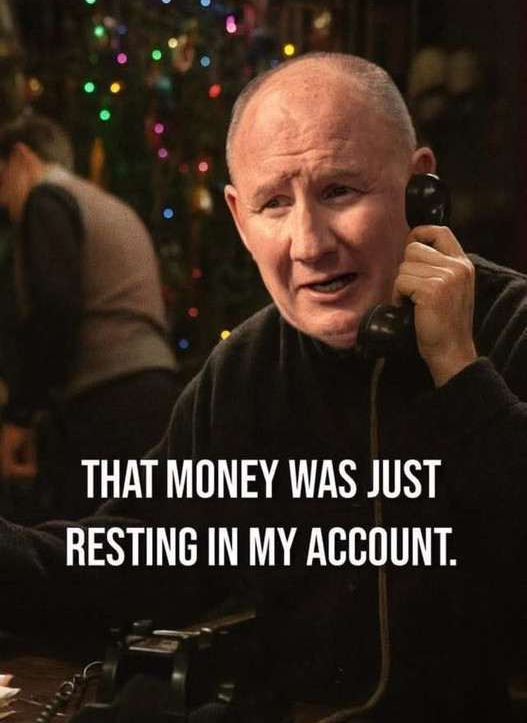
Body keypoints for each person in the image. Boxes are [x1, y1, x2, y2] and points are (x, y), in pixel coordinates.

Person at [0, 53, 526, 723]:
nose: (308, 243)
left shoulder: (510, 326)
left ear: (421, 188)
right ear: (240, 220)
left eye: (340, 191)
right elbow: (135, 558)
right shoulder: (246, 366)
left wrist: (459, 369)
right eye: (274, 203)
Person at [0, 113, 183, 519]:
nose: (3, 203)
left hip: (105, 403)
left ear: (21, 157)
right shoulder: (110, 205)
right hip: (157, 389)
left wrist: (21, 415)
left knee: (92, 546)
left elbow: (54, 307)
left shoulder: (47, 198)